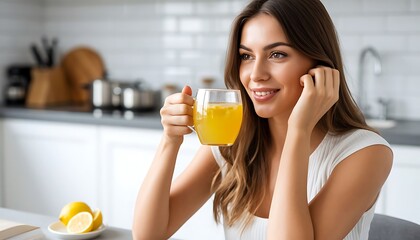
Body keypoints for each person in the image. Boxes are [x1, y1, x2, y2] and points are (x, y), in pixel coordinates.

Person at [132, 0, 393, 239]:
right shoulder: (232, 140)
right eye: (246, 56)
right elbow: (147, 235)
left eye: (277, 54)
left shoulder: (366, 154)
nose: (256, 74)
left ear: (319, 63)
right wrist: (170, 140)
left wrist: (298, 130)